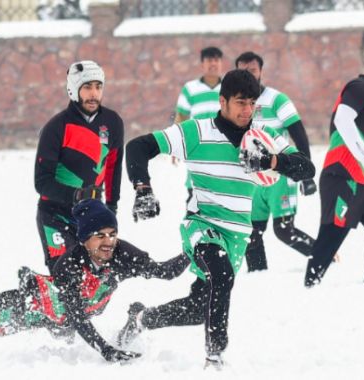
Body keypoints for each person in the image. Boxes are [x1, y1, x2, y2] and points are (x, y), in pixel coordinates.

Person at [121, 69, 315, 368]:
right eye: (240, 103)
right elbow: (138, 146)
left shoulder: (264, 138)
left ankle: (141, 318)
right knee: (221, 275)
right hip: (202, 225)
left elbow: (306, 167)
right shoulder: (196, 132)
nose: (247, 110)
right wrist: (142, 188)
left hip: (237, 234)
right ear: (222, 102)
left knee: (199, 309)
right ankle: (215, 357)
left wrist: (272, 160)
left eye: (252, 103)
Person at [0, 199, 189, 363]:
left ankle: (134, 319)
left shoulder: (122, 253)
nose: (109, 242)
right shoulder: (68, 264)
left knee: (72, 331)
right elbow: (77, 315)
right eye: (100, 235)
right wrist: (105, 350)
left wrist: (193, 249)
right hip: (39, 307)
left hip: (77, 313)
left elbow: (165, 272)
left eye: (112, 233)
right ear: (84, 239)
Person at [305, 46, 364, 287]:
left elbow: (353, 135)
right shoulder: (360, 88)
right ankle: (309, 290)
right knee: (330, 238)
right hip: (341, 178)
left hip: (360, 180)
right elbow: (342, 120)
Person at [35, 60, 124, 274]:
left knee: (93, 283)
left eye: (98, 86)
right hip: (54, 214)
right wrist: (76, 195)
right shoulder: (56, 127)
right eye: (87, 87)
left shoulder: (113, 123)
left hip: (91, 216)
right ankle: (29, 294)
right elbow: (42, 182)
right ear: (74, 90)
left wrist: (111, 207)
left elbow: (113, 167)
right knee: (64, 279)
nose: (94, 93)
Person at [235, 51, 318, 272]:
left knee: (284, 231)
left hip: (279, 176)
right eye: (243, 71)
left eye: (252, 70)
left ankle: (324, 256)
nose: (248, 75)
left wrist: (306, 174)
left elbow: (299, 135)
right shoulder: (235, 104)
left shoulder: (277, 100)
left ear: (260, 71)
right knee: (251, 233)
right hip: (252, 180)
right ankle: (258, 277)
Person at [174, 46, 224, 203]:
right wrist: (176, 144)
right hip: (197, 150)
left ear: (221, 63)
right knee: (194, 196)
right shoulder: (190, 89)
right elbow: (181, 116)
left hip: (223, 150)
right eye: (209, 60)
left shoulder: (229, 88)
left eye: (216, 60)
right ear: (202, 64)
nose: (213, 64)